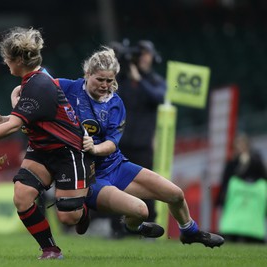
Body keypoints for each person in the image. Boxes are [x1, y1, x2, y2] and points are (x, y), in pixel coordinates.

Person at [11, 46, 225, 248]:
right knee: (141, 211)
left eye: (109, 81)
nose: (105, 85)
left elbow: (112, 144)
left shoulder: (115, 103)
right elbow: (34, 86)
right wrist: (15, 98)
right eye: (100, 79)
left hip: (116, 165)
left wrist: (94, 148)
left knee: (176, 194)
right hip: (91, 176)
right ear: (87, 73)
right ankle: (134, 226)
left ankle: (189, 231)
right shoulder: (67, 87)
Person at [0, 27, 95, 260]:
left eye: (7, 58)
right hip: (41, 150)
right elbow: (27, 119)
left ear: (19, 59)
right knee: (22, 195)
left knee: (69, 217)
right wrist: (6, 118)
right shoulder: (31, 83)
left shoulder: (38, 85)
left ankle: (83, 207)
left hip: (67, 151)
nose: (6, 62)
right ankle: (51, 249)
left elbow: (14, 126)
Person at [109, 40, 166, 237]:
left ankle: (149, 228)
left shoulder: (155, 81)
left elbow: (159, 98)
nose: (142, 57)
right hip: (121, 143)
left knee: (148, 188)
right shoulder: (122, 80)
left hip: (142, 145)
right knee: (116, 187)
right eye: (139, 54)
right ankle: (118, 229)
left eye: (146, 54)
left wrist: (139, 80)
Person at [215, 133, 267, 244]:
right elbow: (225, 183)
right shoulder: (231, 164)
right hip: (235, 210)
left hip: (251, 211)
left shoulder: (256, 162)